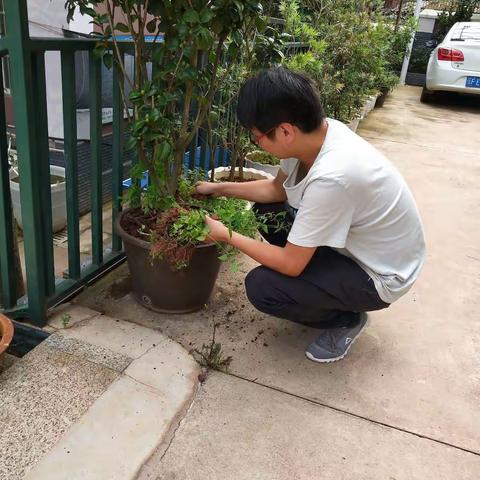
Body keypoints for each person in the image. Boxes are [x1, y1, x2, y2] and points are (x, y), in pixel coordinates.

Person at [195, 67, 426, 363]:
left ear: (285, 131)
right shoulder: (317, 136)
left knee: (263, 287)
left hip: (380, 274)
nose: (257, 144)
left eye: (257, 137)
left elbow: (291, 265)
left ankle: (345, 319)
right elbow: (276, 191)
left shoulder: (333, 177)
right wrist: (217, 188)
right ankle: (324, 290)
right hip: (359, 249)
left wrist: (224, 234)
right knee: (268, 212)